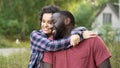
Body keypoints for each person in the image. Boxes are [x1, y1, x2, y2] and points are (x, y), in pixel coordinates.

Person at [28, 6, 96, 68]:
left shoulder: (58, 35)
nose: (45, 25)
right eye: (43, 21)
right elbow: (50, 45)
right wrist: (79, 36)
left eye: (49, 22)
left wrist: (77, 33)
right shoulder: (35, 35)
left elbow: (78, 28)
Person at [43, 11, 112, 68]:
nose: (51, 26)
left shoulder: (93, 40)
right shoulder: (50, 45)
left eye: (54, 22)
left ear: (67, 21)